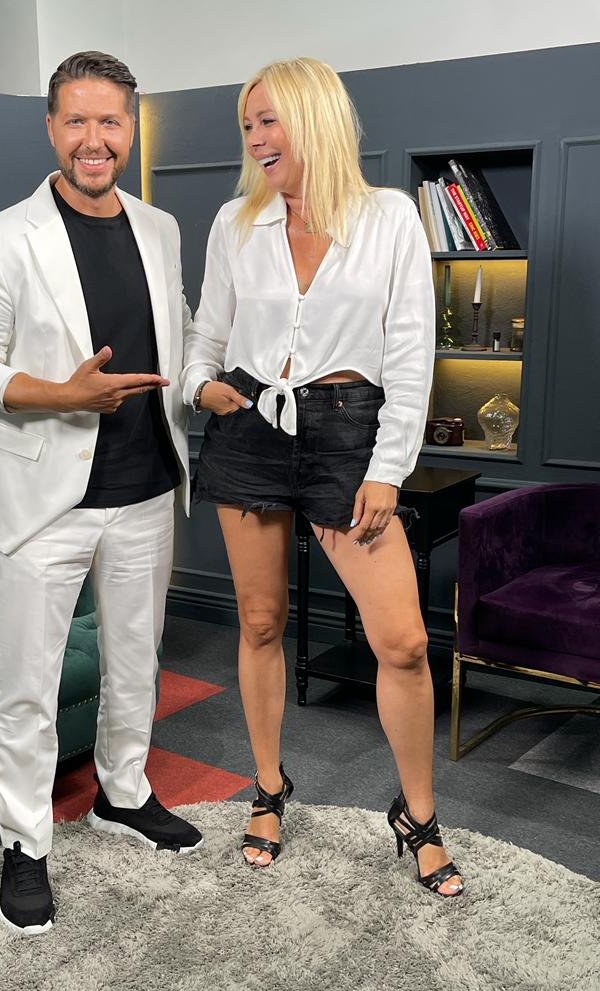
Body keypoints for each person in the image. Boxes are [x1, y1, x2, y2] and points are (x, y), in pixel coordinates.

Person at [181, 57, 463, 896]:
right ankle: (269, 789)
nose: (256, 139)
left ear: (315, 118)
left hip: (349, 437)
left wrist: (388, 469)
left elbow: (411, 355)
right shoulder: (236, 222)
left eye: (269, 120)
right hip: (249, 429)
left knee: (402, 642)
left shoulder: (388, 217)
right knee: (261, 622)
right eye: (248, 125)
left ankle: (418, 816)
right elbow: (208, 333)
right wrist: (200, 387)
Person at [0, 51, 201, 936]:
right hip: (44, 501)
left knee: (136, 661)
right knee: (26, 684)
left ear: (131, 128)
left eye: (111, 122)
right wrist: (62, 394)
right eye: (78, 121)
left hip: (146, 488)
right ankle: (25, 842)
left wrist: (206, 384)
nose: (96, 139)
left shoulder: (161, 228)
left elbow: (180, 334)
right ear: (52, 128)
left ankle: (123, 793)